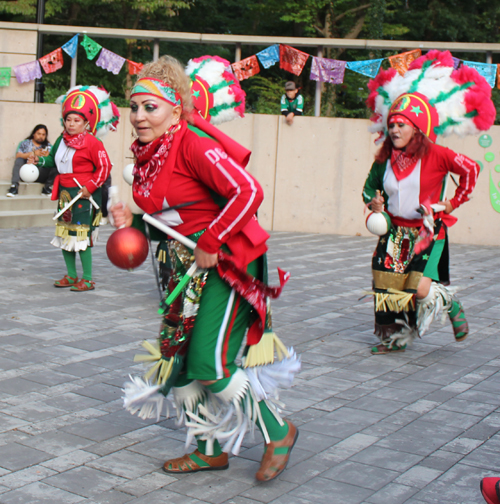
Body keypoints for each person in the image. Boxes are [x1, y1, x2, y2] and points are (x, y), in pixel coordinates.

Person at [112, 55, 299, 482]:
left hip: (229, 262)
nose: (139, 116)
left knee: (210, 364)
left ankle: (278, 430)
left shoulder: (193, 143)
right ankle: (209, 448)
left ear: (176, 108)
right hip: (186, 269)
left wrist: (212, 240)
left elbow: (248, 191)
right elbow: (176, 214)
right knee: (176, 363)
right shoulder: (149, 151)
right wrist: (134, 224)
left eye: (150, 107)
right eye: (135, 107)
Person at [363, 50, 495, 354]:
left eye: (402, 125)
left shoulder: (437, 154)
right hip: (394, 233)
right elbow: (369, 189)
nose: (395, 130)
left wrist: (450, 204)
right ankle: (396, 337)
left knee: (420, 287)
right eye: (392, 125)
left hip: (427, 233)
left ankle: (450, 302)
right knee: (388, 286)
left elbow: (471, 170)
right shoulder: (384, 159)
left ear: (417, 127)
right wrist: (375, 206)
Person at [29, 85, 119, 292]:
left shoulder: (93, 142)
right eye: (68, 119)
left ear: (86, 122)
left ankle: (87, 279)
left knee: (81, 236)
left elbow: (105, 167)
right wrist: (38, 162)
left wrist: (90, 187)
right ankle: (71, 275)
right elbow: (52, 160)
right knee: (64, 234)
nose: (71, 124)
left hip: (85, 195)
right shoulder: (61, 139)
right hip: (65, 194)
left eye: (76, 120)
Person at [6, 124, 54, 197]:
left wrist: (47, 156)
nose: (41, 136)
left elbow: (52, 160)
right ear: (34, 134)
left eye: (43, 134)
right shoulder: (25, 143)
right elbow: (18, 155)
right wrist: (33, 153)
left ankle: (47, 188)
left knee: (54, 165)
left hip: (39, 173)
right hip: (25, 173)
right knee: (19, 160)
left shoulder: (49, 146)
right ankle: (14, 187)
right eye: (39, 134)